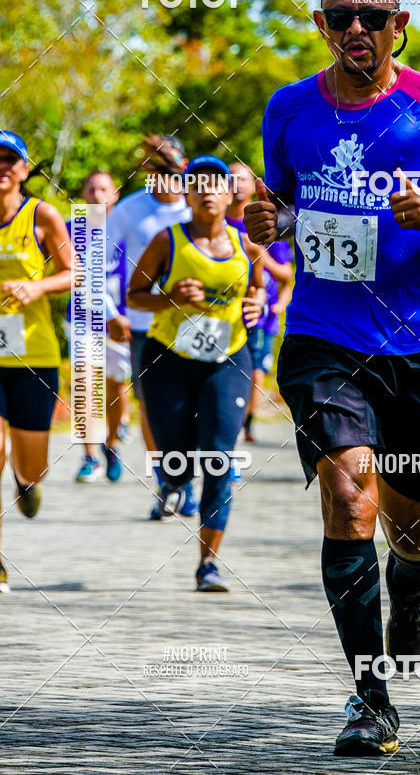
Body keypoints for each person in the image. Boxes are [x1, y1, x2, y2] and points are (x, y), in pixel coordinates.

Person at [244, 0, 420, 756]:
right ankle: (370, 698)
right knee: (349, 496)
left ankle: (415, 576)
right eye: (339, 17)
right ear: (320, 25)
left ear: (400, 24)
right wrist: (271, 221)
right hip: (322, 335)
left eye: (371, 16)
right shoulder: (289, 107)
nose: (354, 29)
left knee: (407, 523)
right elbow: (284, 202)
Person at [127, 155, 264, 591]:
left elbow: (259, 291)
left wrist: (257, 304)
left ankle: (208, 564)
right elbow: (134, 296)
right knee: (177, 461)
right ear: (186, 194)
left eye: (216, 184)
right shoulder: (167, 240)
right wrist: (170, 297)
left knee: (219, 459)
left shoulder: (247, 246)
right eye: (197, 185)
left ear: (229, 194)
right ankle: (175, 480)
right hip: (169, 360)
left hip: (229, 360)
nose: (207, 192)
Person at [105, 135, 198, 518]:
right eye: (154, 166)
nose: (162, 173)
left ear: (184, 166)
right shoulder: (129, 210)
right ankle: (169, 482)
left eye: (169, 165)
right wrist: (110, 312)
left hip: (197, 324)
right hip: (144, 327)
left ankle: (189, 480)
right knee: (153, 409)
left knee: (194, 406)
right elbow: (94, 262)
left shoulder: (198, 206)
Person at [0, 131, 72, 593]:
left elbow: (74, 272)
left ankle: (26, 483)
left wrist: (37, 286)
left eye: (10, 159)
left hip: (32, 355)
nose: (2, 166)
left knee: (33, 465)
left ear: (25, 169)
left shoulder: (41, 215)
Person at [66, 170, 131, 483]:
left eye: (104, 189)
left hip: (120, 322)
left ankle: (112, 443)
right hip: (82, 319)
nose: (97, 195)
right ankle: (89, 456)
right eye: (91, 189)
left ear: (115, 194)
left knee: (115, 389)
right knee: (85, 383)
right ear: (83, 195)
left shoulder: (127, 228)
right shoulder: (72, 229)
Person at [224, 164, 294, 442]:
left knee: (255, 368)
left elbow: (287, 276)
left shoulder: (267, 220)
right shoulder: (214, 222)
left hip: (261, 315)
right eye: (230, 179)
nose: (236, 185)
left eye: (241, 179)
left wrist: (260, 257)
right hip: (223, 312)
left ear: (253, 184)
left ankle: (246, 423)